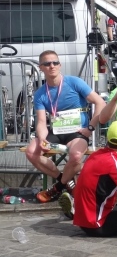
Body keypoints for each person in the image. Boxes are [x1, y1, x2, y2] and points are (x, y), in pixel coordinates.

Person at [26, 51, 106, 204]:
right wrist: (42, 139)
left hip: (77, 131)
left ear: (60, 65)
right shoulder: (40, 94)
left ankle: (57, 188)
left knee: (76, 156)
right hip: (56, 131)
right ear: (40, 68)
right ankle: (66, 181)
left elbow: (100, 102)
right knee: (31, 152)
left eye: (55, 62)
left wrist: (90, 127)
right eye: (47, 64)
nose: (52, 66)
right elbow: (41, 121)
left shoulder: (74, 82)